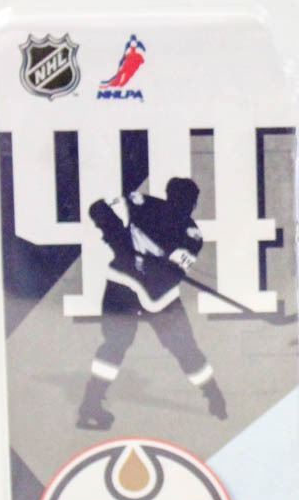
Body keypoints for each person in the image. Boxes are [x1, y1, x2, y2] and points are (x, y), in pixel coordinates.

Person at [77, 176, 227, 429]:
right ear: (172, 198)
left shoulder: (191, 236)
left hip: (158, 296)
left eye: (187, 203)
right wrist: (114, 232)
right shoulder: (141, 203)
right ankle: (90, 404)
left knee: (184, 348)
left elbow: (169, 276)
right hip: (123, 285)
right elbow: (98, 208)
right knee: (115, 344)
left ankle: (214, 396)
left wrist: (143, 261)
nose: (184, 207)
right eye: (181, 201)